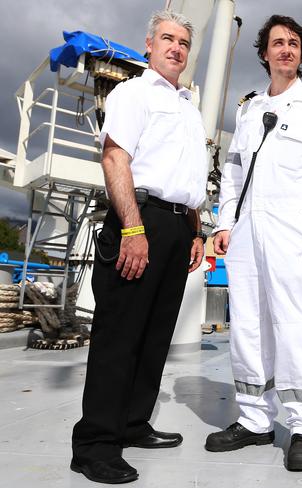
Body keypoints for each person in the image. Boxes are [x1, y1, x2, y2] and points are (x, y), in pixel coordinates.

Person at [205, 15, 302, 471]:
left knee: (294, 326)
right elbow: (232, 174)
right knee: (247, 324)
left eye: (293, 43)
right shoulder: (247, 109)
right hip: (247, 230)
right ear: (264, 53)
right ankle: (254, 420)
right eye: (277, 43)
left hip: (295, 231)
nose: (286, 49)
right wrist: (223, 223)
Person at [71, 10, 208, 484]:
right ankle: (94, 445)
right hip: (140, 219)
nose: (176, 48)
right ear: (149, 46)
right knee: (119, 336)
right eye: (168, 40)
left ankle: (131, 424)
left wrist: (196, 233)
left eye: (184, 43)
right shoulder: (133, 93)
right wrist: (132, 230)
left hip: (177, 226)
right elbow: (115, 158)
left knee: (154, 337)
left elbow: (189, 183)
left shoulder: (191, 109)